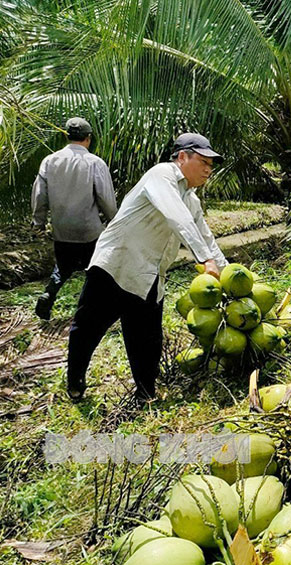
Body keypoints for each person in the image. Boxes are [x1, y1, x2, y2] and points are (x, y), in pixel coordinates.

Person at [66, 133, 228, 402]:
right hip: (116, 265)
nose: (208, 168)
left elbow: (206, 236)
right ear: (182, 157)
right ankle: (75, 382)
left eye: (212, 164)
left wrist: (228, 273)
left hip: (148, 274)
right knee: (88, 329)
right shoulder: (161, 175)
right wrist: (204, 260)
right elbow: (177, 217)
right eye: (203, 161)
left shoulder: (192, 200)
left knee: (148, 340)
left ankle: (146, 394)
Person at [31, 117, 117, 321]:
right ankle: (92, 311)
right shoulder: (95, 163)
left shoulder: (50, 161)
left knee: (62, 267)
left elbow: (39, 195)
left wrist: (39, 222)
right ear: (88, 138)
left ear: (66, 136)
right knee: (96, 270)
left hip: (62, 230)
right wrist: (114, 221)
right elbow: (106, 198)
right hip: (89, 231)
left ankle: (48, 295)